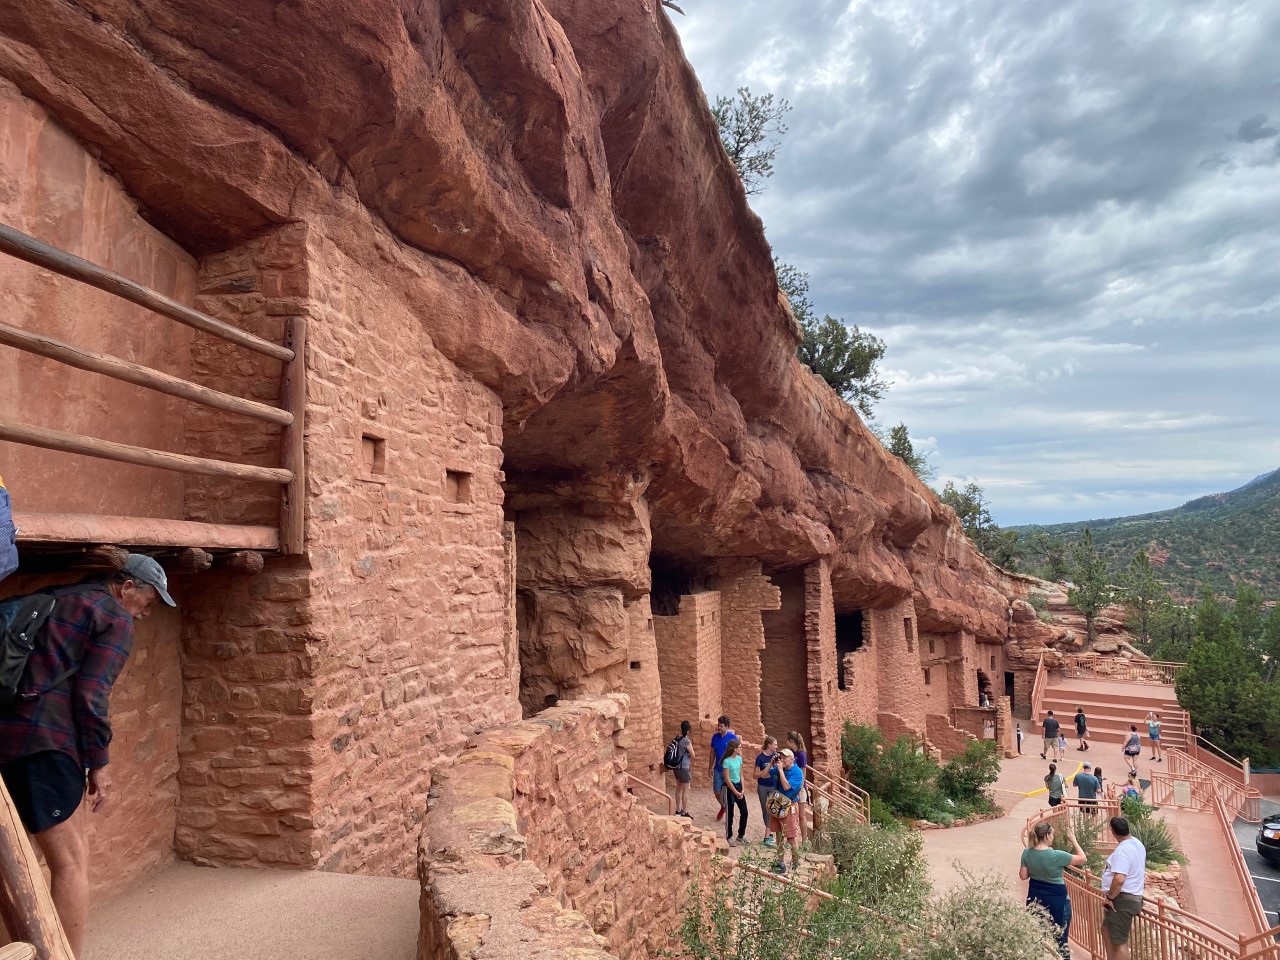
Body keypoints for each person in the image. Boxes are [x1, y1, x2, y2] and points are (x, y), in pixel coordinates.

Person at [0, 554, 175, 957]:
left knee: (13, 858)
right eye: (148, 602)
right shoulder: (114, 617)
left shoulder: (59, 598)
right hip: (48, 746)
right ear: (126, 586)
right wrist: (100, 763)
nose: (146, 614)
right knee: (72, 862)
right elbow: (92, 696)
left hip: (7, 739)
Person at [1020, 819, 1087, 959]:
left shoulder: (1027, 852)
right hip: (1058, 901)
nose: (1053, 837)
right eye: (1052, 835)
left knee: (1039, 937)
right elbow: (1082, 859)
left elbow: (1023, 875)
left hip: (1036, 899)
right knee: (1061, 940)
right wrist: (1073, 841)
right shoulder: (1056, 855)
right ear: (1046, 836)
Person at [1100, 816, 1146, 960]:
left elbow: (1119, 879)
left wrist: (1109, 898)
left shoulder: (1122, 851)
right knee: (1106, 930)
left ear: (1113, 831)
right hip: (1131, 897)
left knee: (1119, 942)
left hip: (1121, 900)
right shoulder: (1137, 844)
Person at [768, 748, 805, 874]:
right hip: (778, 804)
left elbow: (786, 786)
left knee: (791, 837)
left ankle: (796, 862)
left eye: (785, 758)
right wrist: (771, 764)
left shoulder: (797, 772)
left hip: (789, 806)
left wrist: (779, 770)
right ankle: (780, 862)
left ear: (792, 759)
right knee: (778, 835)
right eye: (781, 758)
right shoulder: (780, 768)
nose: (782, 760)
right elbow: (764, 775)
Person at [721, 738, 748, 845]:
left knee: (744, 812)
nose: (741, 749)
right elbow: (727, 779)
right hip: (729, 788)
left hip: (738, 786)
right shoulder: (726, 761)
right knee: (730, 813)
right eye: (739, 747)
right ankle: (729, 835)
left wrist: (743, 789)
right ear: (734, 749)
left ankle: (741, 835)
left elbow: (741, 774)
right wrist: (736, 792)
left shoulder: (739, 759)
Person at [709, 715, 735, 822]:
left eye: (721, 726)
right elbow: (712, 753)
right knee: (717, 791)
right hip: (718, 768)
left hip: (728, 770)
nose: (719, 728)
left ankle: (729, 812)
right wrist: (710, 766)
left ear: (727, 726)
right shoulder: (715, 737)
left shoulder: (732, 738)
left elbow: (737, 755)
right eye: (718, 725)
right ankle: (724, 806)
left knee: (728, 792)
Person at [786, 731, 811, 843]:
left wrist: (799, 788)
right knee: (790, 815)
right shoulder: (791, 753)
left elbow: (803, 773)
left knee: (801, 815)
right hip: (791, 786)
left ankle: (804, 840)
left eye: (787, 740)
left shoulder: (801, 755)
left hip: (799, 788)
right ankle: (790, 838)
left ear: (792, 741)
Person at [754, 736, 779, 846]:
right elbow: (755, 775)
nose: (776, 746)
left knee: (771, 810)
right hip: (763, 786)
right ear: (769, 745)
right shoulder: (760, 758)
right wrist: (764, 773)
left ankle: (767, 836)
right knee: (765, 810)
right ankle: (769, 831)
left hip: (773, 786)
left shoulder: (776, 756)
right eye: (774, 744)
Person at [672, 720, 694, 818]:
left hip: (676, 767)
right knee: (686, 790)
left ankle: (677, 810)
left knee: (678, 788)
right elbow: (693, 754)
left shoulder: (677, 738)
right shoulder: (686, 740)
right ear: (688, 730)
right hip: (684, 767)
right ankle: (684, 812)